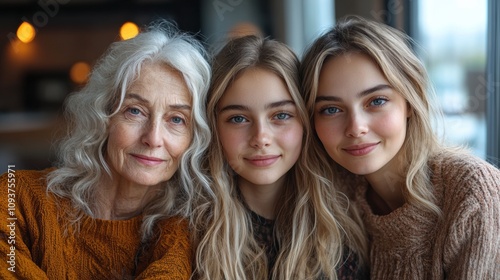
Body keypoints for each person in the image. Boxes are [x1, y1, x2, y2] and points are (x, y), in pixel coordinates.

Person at [0, 21, 211, 279]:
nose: (153, 138)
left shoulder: (186, 233)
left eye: (177, 119)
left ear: (194, 137)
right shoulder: (15, 198)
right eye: (135, 111)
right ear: (103, 116)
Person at [301, 16, 500, 279]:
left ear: (409, 101)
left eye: (377, 101)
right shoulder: (331, 195)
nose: (356, 127)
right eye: (331, 109)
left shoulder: (472, 193)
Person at [190, 35, 368, 280]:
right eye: (238, 118)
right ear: (213, 126)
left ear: (305, 122)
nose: (261, 138)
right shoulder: (188, 231)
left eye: (281, 115)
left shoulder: (344, 229)